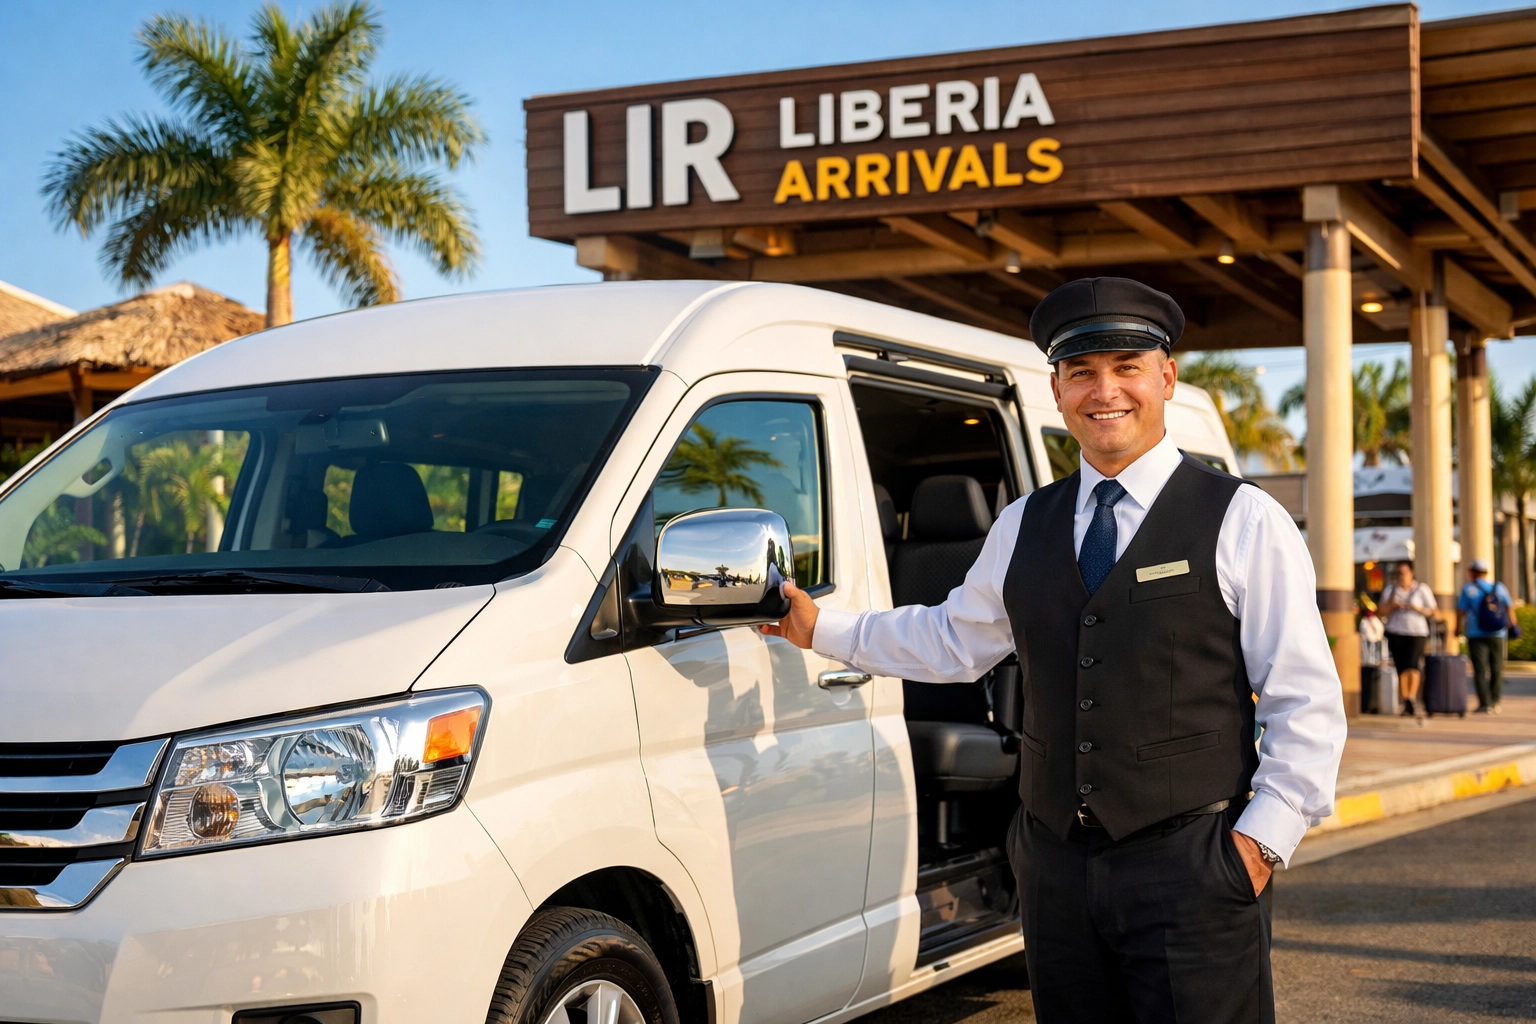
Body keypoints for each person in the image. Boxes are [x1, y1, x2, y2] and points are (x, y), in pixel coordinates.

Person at [762, 277, 1347, 1024]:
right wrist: (822, 630)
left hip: (1193, 866)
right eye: (1082, 372)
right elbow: (950, 640)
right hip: (1055, 871)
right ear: (1058, 388)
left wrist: (1257, 847)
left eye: (1127, 367)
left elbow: (1306, 701)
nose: (1106, 391)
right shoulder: (1022, 524)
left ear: (1166, 376)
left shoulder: (1242, 519)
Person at [1378, 560, 1437, 718]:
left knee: (1413, 664)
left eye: (1403, 573)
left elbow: (1434, 612)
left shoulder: (1421, 589)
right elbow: (1381, 611)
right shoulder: (1391, 590)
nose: (1401, 576)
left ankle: (1411, 697)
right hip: (1396, 631)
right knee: (1401, 667)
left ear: (1411, 573)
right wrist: (1392, 606)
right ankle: (1406, 700)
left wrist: (1417, 608)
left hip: (1417, 632)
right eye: (1398, 573)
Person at [1457, 558, 1513, 714]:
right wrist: (1513, 626)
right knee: (1497, 668)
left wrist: (1457, 629)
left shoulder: (1468, 589)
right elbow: (1509, 608)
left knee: (1480, 669)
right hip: (1497, 633)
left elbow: (1460, 611)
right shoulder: (1498, 587)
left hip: (1475, 634)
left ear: (1472, 572)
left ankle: (1485, 704)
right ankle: (1496, 701)